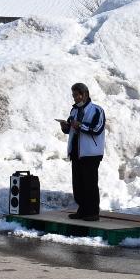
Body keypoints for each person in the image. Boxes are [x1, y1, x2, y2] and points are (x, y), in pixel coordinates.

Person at [59, 83, 106, 221]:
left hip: (91, 153)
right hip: (76, 153)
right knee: (78, 185)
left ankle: (92, 212)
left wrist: (80, 125)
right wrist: (65, 127)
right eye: (73, 95)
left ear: (84, 94)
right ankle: (82, 210)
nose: (74, 98)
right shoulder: (73, 111)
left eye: (76, 95)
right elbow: (70, 129)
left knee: (90, 184)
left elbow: (97, 129)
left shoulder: (97, 110)